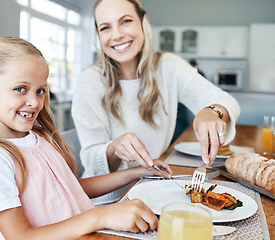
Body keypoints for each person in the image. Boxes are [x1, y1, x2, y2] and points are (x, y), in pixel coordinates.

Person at [0, 37, 171, 239]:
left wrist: (136, 172)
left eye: (40, 90)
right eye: (21, 89)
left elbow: (70, 188)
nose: (34, 102)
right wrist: (101, 215)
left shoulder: (39, 139)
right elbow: (20, 236)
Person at [72, 0, 240, 205]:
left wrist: (211, 111)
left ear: (143, 22)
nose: (116, 35)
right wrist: (114, 147)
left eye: (125, 21)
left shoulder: (168, 66)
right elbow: (90, 160)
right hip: (105, 201)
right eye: (105, 27)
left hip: (152, 190)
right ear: (98, 35)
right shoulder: (89, 80)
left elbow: (226, 101)